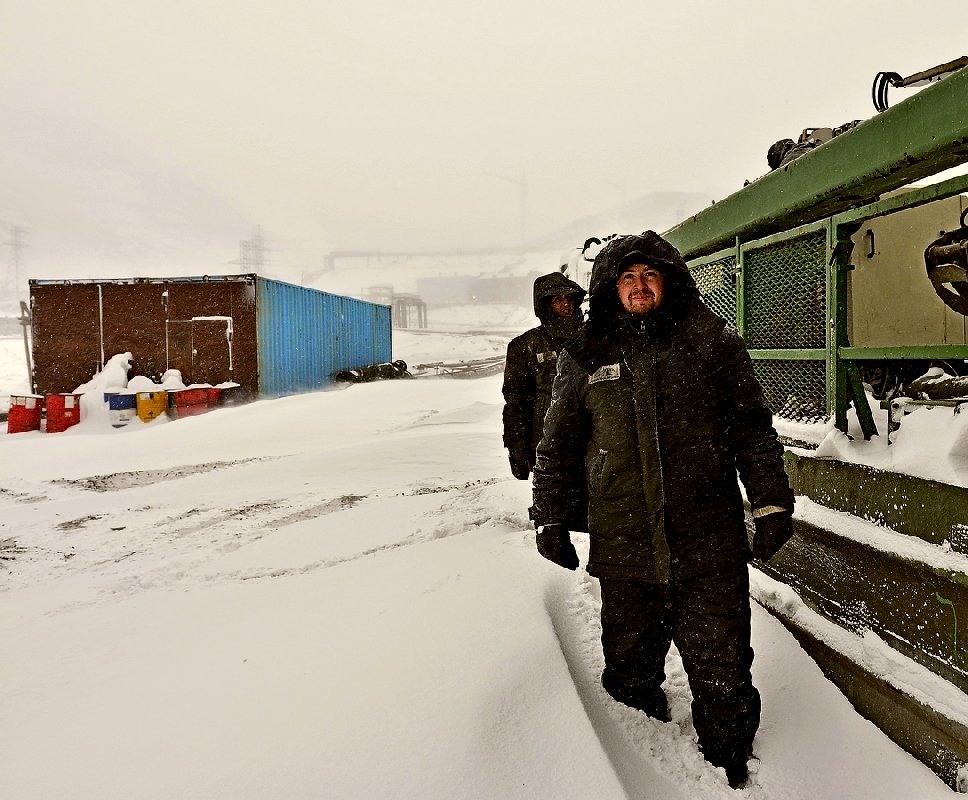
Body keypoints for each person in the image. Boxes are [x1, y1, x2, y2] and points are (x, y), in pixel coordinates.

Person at [529, 231, 795, 788]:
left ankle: (731, 764)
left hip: (708, 538)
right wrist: (551, 517)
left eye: (649, 275)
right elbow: (556, 446)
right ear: (610, 288)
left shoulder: (710, 342)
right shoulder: (586, 354)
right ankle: (639, 770)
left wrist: (769, 502)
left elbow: (751, 428)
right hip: (623, 542)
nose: (639, 286)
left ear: (668, 281)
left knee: (722, 665)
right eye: (627, 278)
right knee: (629, 668)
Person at [502, 271, 586, 480]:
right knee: (553, 507)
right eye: (558, 299)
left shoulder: (593, 339)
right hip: (548, 445)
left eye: (569, 298)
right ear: (544, 304)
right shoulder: (524, 346)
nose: (566, 304)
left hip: (593, 441)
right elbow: (516, 402)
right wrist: (517, 448)